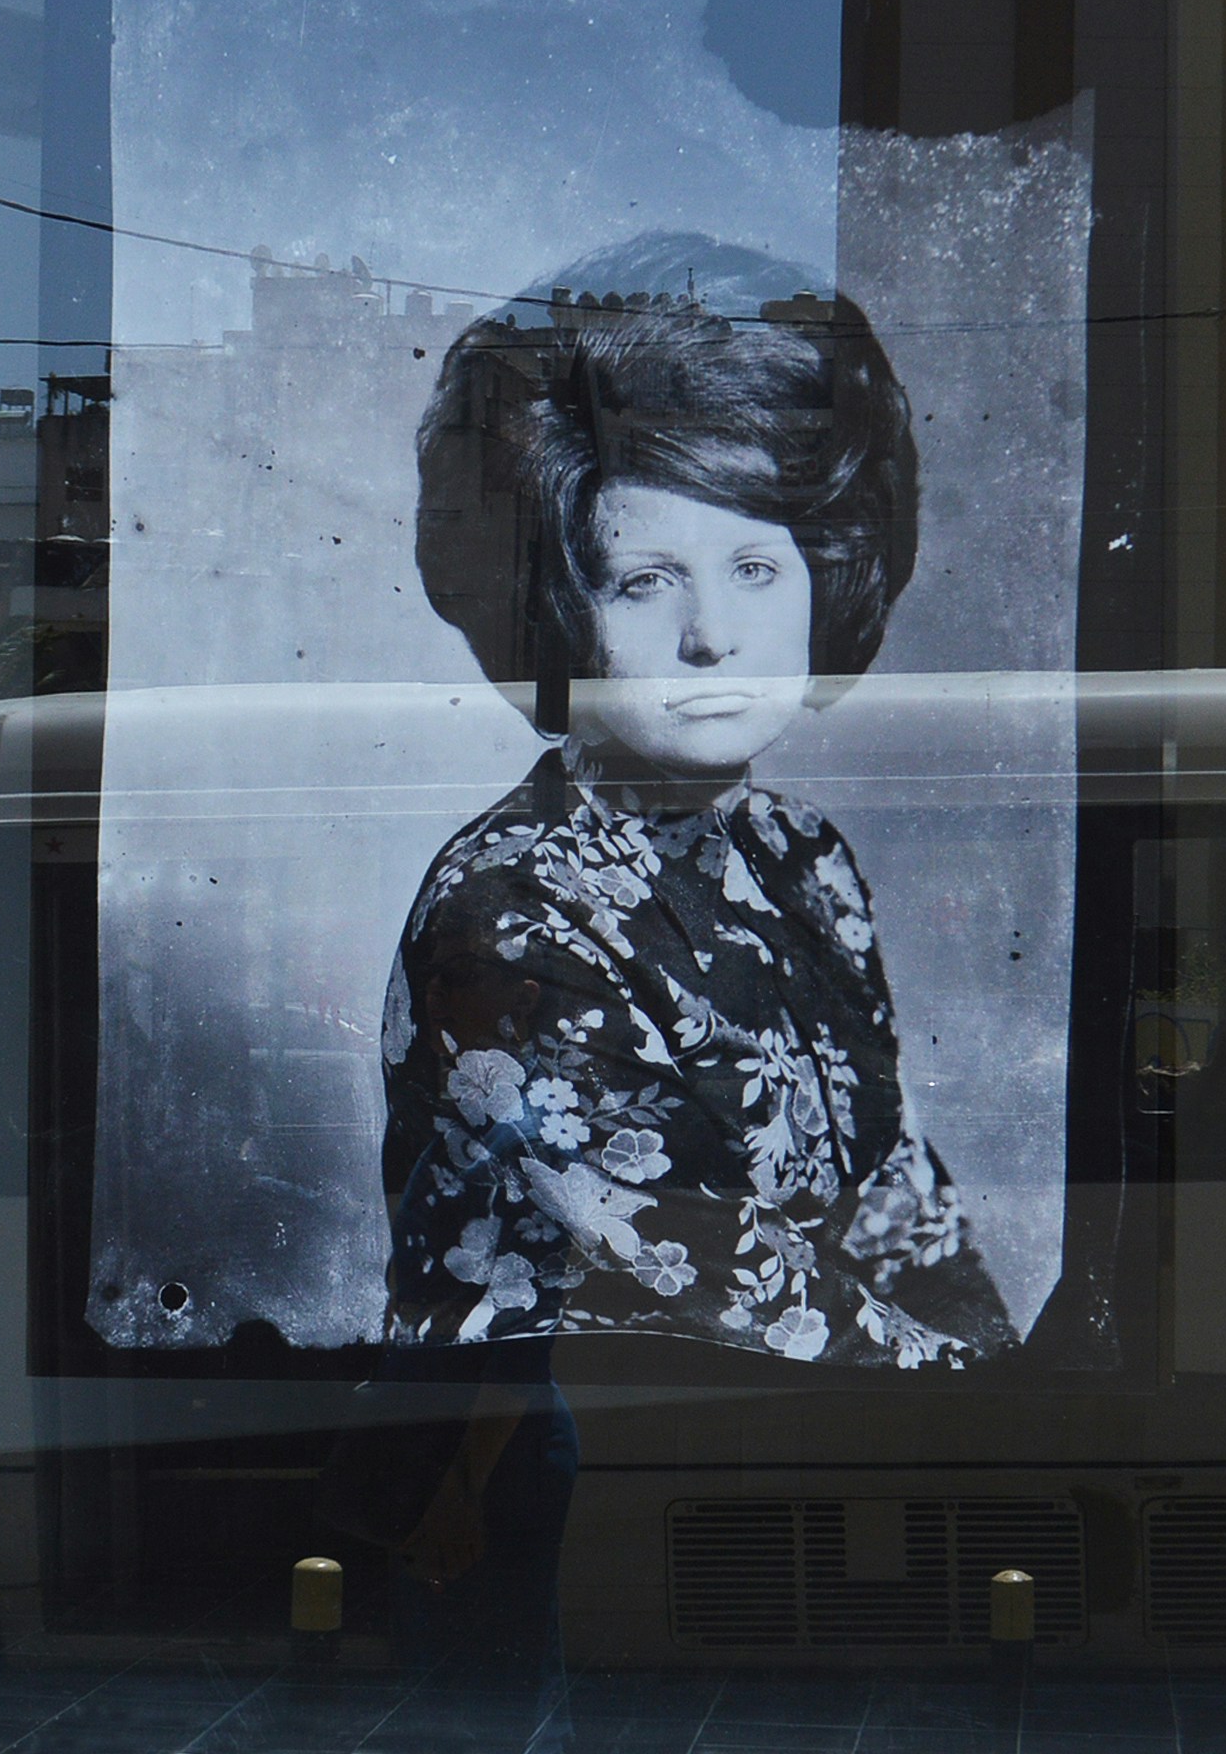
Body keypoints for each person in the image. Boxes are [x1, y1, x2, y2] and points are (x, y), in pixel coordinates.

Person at [386, 288, 1015, 1371]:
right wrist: (1004, 1411)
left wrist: (1013, 1373)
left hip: (787, 1441)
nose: (712, 637)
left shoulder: (798, 852)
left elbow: (894, 1202)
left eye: (755, 568)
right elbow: (744, 1291)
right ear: (556, 613)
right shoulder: (507, 916)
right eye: (643, 582)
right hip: (550, 1460)